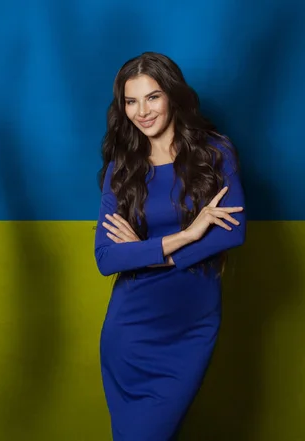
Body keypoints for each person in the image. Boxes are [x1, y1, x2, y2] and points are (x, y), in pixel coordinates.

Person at [94, 52, 246, 440]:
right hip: (132, 330)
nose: (141, 111)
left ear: (173, 96)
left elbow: (233, 232)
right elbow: (108, 257)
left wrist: (149, 253)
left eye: (153, 97)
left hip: (193, 326)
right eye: (131, 101)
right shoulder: (122, 167)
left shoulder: (215, 153)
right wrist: (189, 235)